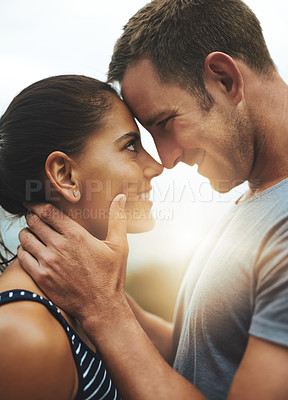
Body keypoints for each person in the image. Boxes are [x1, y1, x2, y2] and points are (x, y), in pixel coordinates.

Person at [17, 0, 288, 399]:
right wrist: (101, 292)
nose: (164, 159)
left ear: (224, 79)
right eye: (138, 140)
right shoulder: (257, 193)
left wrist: (105, 313)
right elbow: (198, 358)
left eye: (164, 123)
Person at [0, 74, 163, 400]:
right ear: (65, 175)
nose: (156, 166)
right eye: (130, 146)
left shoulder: (92, 291)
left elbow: (185, 349)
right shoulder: (22, 335)